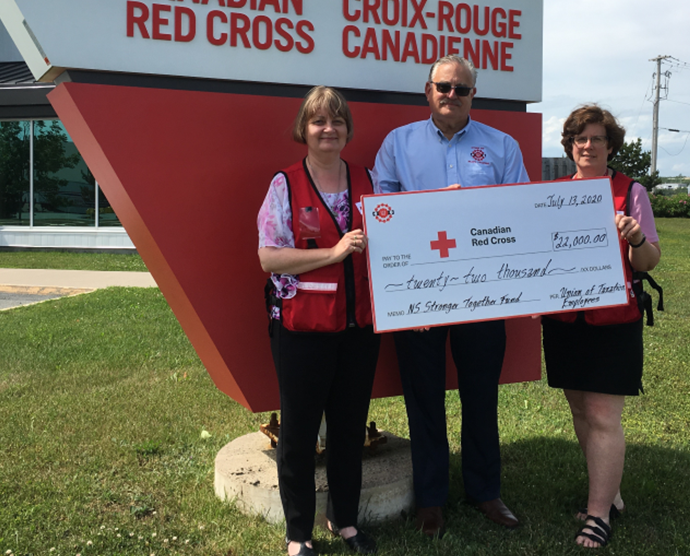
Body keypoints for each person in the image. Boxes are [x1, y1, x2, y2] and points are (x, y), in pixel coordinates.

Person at [374, 55, 528, 537]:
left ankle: (485, 491)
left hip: (483, 293)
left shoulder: (501, 146)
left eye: (461, 89)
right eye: (444, 87)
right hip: (420, 294)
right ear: (428, 90)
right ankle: (431, 498)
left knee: (481, 395)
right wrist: (438, 208)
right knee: (424, 398)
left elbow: (519, 211)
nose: (452, 95)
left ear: (472, 95)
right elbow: (381, 214)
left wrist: (473, 209)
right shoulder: (397, 144)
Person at [257, 86, 381, 556]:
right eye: (318, 121)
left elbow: (400, 240)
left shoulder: (370, 181)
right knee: (300, 432)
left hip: (359, 327)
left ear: (348, 129)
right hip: (301, 329)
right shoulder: (284, 185)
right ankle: (298, 534)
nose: (328, 129)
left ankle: (345, 521)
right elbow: (268, 257)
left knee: (349, 428)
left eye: (337, 121)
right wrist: (331, 253)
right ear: (303, 130)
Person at [542, 104, 661, 548]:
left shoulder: (631, 192)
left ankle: (598, 513)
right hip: (564, 321)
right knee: (579, 410)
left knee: (603, 415)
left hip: (613, 321)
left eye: (597, 138)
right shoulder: (552, 193)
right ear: (570, 146)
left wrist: (634, 237)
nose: (588, 146)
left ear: (611, 146)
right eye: (580, 139)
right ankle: (606, 489)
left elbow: (649, 262)